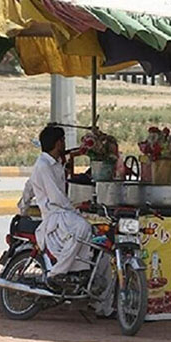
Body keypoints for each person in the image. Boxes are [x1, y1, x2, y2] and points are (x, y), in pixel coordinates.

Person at [18, 125, 114, 315]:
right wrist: (75, 208)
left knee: (101, 245)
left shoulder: (54, 163)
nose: (64, 144)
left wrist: (23, 204)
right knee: (82, 228)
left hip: (63, 213)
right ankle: (57, 273)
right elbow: (56, 197)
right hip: (55, 215)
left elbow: (29, 185)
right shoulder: (43, 165)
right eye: (62, 140)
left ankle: (100, 303)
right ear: (56, 143)